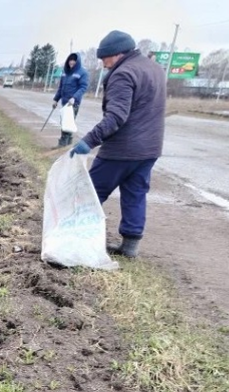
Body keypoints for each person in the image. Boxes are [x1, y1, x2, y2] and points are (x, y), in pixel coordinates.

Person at [69, 30, 166, 259]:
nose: (104, 65)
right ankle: (130, 247)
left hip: (123, 149)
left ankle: (76, 238)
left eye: (105, 59)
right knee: (135, 193)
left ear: (117, 54)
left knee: (90, 192)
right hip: (150, 148)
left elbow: (115, 117)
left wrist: (88, 141)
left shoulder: (124, 73)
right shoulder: (154, 68)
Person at [52, 53, 90, 147]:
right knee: (64, 123)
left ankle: (63, 145)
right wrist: (56, 99)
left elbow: (83, 87)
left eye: (74, 60)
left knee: (67, 125)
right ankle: (67, 145)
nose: (71, 62)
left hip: (73, 103)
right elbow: (61, 87)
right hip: (64, 102)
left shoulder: (82, 73)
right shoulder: (65, 72)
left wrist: (74, 98)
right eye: (70, 60)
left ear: (77, 62)